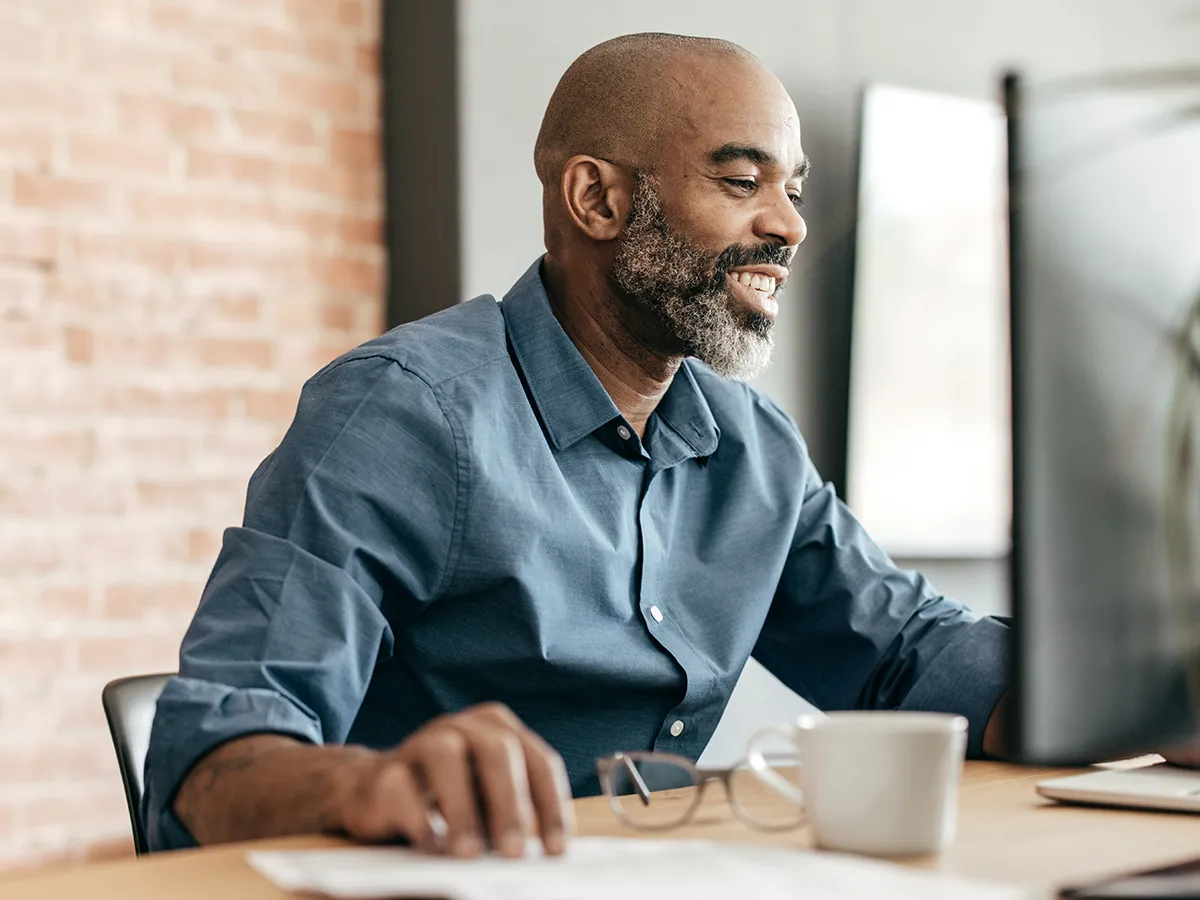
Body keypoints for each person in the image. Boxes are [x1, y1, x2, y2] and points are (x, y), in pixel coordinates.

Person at [142, 33, 1012, 857]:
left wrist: (1125, 699)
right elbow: (212, 755)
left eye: (795, 188)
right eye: (744, 181)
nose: (789, 226)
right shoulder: (404, 413)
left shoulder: (753, 448)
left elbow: (911, 660)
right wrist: (364, 785)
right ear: (597, 200)